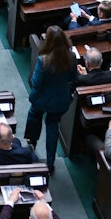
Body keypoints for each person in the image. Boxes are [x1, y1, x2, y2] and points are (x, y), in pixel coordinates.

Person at [26, 26, 75, 172]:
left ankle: (31, 144)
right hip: (61, 100)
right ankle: (50, 162)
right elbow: (73, 78)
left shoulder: (43, 60)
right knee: (53, 127)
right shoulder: (71, 57)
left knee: (34, 115)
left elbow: (36, 82)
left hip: (42, 99)